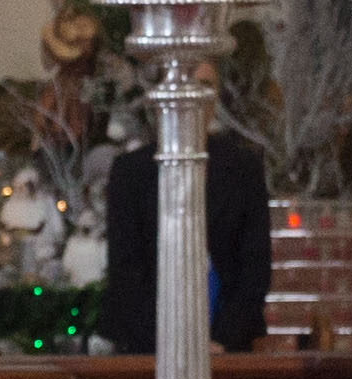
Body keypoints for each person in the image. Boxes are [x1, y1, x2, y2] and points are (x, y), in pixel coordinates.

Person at [97, 105, 273, 357]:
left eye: (205, 85)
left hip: (226, 348)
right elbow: (125, 268)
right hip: (147, 349)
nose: (194, 97)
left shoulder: (243, 169)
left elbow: (255, 265)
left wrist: (223, 339)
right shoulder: (131, 172)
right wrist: (167, 343)